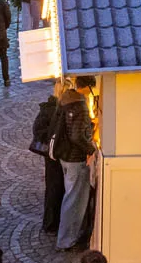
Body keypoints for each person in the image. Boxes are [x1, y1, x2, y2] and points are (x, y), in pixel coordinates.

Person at [53, 76, 98, 252]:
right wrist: (91, 149)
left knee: (70, 197)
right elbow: (77, 135)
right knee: (74, 200)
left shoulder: (66, 100)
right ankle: (66, 240)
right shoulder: (78, 105)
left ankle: (66, 237)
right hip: (75, 158)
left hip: (65, 156)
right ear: (87, 87)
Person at [32, 86, 64, 234]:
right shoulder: (53, 111)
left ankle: (52, 222)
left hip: (52, 155)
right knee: (55, 188)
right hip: (54, 155)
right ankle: (52, 223)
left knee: (53, 187)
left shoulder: (49, 109)